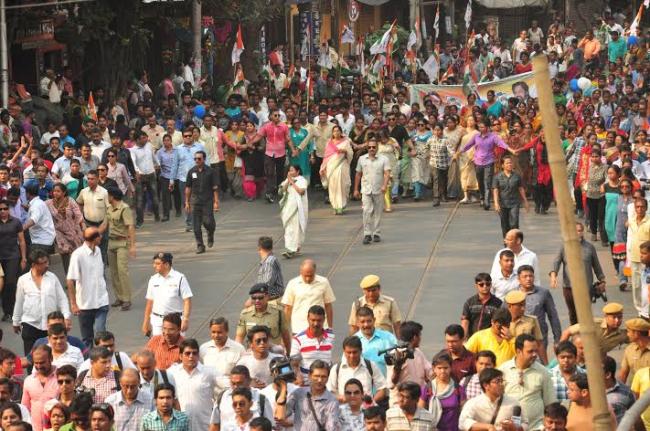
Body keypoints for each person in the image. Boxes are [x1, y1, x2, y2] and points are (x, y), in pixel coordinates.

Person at [12, 249, 71, 355]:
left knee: (51, 356)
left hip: (50, 325)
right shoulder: (23, 280)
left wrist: (66, 317)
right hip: (30, 324)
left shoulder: (52, 278)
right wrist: (16, 321)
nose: (46, 265)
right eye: (43, 263)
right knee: (32, 357)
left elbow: (62, 299)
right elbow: (19, 302)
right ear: (33, 265)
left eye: (47, 261)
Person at [550, 222, 606, 325]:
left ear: (583, 232)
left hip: (586, 288)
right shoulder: (564, 246)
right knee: (573, 314)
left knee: (585, 314)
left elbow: (596, 266)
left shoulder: (590, 247)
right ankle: (575, 333)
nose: (577, 233)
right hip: (569, 287)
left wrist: (602, 280)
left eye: (579, 231)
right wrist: (553, 276)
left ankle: (586, 333)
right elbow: (556, 262)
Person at [500, 334, 556, 430]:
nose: (534, 354)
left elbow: (550, 403)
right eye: (530, 351)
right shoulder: (503, 370)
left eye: (536, 351)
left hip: (535, 427)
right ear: (518, 351)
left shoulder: (543, 372)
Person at [66, 227, 109, 348]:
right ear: (94, 239)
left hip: (101, 301)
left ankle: (103, 357)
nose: (101, 237)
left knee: (101, 335)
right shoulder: (78, 255)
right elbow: (70, 280)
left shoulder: (98, 251)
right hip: (85, 305)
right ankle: (89, 359)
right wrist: (73, 304)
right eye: (99, 235)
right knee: (87, 339)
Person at [167, 338, 221, 431]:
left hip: (204, 426)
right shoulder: (172, 373)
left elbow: (227, 386)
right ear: (180, 356)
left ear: (198, 355)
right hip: (179, 426)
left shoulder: (209, 372)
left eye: (194, 353)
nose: (191, 356)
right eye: (187, 353)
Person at [274, 360, 340, 431]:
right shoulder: (298, 393)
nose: (320, 380)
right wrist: (283, 388)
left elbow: (331, 428)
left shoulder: (332, 401)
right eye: (316, 376)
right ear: (309, 376)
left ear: (328, 378)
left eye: (323, 377)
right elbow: (280, 416)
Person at [99, 187, 135, 311]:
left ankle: (127, 299)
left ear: (112, 196)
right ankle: (119, 297)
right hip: (111, 242)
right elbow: (104, 225)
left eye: (108, 195)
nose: (107, 197)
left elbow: (130, 227)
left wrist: (132, 246)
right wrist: (93, 235)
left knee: (122, 271)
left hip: (122, 243)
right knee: (114, 272)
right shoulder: (109, 208)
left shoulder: (124, 208)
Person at [208, 365, 275, 429]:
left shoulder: (261, 399)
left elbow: (270, 426)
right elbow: (215, 425)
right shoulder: (223, 397)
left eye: (239, 383)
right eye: (233, 383)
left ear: (249, 381)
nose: (236, 387)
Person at [142, 252, 193, 336]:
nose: (154, 266)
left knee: (177, 344)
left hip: (175, 321)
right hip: (158, 322)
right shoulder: (153, 279)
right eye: (154, 263)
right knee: (158, 344)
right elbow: (150, 302)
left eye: (158, 263)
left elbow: (187, 300)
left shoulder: (180, 278)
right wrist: (146, 322)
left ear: (166, 265)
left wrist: (185, 319)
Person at [327, 336, 388, 405]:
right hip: (343, 410)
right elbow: (329, 391)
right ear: (344, 352)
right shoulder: (336, 369)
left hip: (366, 410)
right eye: (349, 352)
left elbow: (382, 389)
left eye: (355, 352)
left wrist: (371, 403)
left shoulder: (371, 366)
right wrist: (340, 398)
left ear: (361, 351)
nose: (352, 356)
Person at [458, 368, 523, 431]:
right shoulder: (473, 403)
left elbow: (524, 424)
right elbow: (463, 422)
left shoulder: (513, 403)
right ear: (486, 385)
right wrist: (488, 427)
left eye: (502, 381)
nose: (501, 384)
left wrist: (514, 428)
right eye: (498, 381)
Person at [517, 265, 561, 354]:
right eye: (525, 276)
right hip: (518, 337)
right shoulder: (513, 295)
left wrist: (557, 339)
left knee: (540, 361)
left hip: (539, 338)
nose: (528, 279)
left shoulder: (543, 293)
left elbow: (553, 316)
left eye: (530, 276)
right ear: (519, 279)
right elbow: (504, 315)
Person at [282, 259, 335, 333]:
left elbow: (328, 305)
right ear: (301, 271)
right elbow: (288, 308)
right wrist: (285, 329)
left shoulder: (324, 282)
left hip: (320, 327)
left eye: (310, 276)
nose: (308, 279)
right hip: (299, 328)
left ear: (315, 271)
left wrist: (330, 328)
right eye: (305, 276)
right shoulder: (292, 284)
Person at [353, 138, 390, 245]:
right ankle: (367, 234)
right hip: (366, 190)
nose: (371, 149)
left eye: (374, 147)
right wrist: (355, 189)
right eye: (369, 147)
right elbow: (358, 174)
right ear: (367, 148)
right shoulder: (362, 159)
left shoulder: (384, 159)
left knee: (378, 212)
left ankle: (377, 233)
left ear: (377, 148)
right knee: (366, 211)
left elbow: (387, 173)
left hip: (379, 190)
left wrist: (384, 185)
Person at [236, 283, 291, 353]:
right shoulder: (245, 314)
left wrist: (288, 353)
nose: (257, 301)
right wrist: (238, 353)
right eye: (254, 298)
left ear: (267, 297)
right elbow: (239, 337)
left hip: (274, 354)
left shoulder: (278, 312)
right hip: (253, 355)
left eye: (260, 297)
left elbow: (286, 336)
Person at [290, 305, 335, 385]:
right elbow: (294, 364)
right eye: (313, 320)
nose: (316, 324)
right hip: (306, 385)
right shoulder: (298, 339)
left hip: (326, 385)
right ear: (308, 319)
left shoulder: (331, 337)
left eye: (319, 320)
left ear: (324, 320)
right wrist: (298, 375)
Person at [184, 150, 218, 254]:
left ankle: (210, 233)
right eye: (195, 159)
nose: (197, 160)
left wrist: (216, 202)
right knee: (196, 226)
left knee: (208, 222)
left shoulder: (210, 171)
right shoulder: (191, 172)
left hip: (207, 201)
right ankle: (200, 246)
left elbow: (215, 188)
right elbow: (188, 187)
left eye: (199, 158)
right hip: (195, 202)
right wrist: (187, 202)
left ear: (204, 159)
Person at [420, 352, 465, 430]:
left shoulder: (458, 389)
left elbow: (464, 414)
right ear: (434, 368)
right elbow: (420, 412)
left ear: (451, 368)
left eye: (445, 368)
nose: (443, 371)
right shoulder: (427, 389)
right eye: (439, 368)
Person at [46, 183, 84, 274]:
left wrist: (83, 227)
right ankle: (69, 276)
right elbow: (40, 208)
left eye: (58, 191)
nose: (55, 193)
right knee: (64, 254)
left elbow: (78, 215)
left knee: (77, 254)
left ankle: (80, 274)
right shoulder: (48, 203)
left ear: (64, 192)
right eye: (54, 191)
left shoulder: (70, 201)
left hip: (73, 231)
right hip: (60, 232)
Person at [0, 199, 27, 322]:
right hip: (1, 258)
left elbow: (22, 241)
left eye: (5, 209)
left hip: (13, 257)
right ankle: (7, 311)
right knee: (2, 285)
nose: (2, 211)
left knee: (10, 283)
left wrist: (24, 258)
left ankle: (11, 311)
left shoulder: (16, 222)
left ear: (9, 210)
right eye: (0, 209)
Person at [199, 317, 245, 386]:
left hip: (230, 389)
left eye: (219, 332)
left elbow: (243, 374)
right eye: (213, 332)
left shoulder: (239, 349)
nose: (216, 335)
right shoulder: (203, 348)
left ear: (227, 331)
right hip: (209, 389)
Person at [22, 345, 58, 431]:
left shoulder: (61, 378)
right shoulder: (29, 380)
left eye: (42, 362)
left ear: (51, 358)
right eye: (36, 363)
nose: (39, 366)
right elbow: (25, 408)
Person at [492, 154, 528, 237]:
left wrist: (525, 201)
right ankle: (507, 243)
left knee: (514, 223)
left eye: (511, 163)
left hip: (514, 203)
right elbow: (495, 190)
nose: (510, 164)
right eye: (507, 163)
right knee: (505, 225)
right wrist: (496, 203)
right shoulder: (497, 177)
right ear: (502, 165)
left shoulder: (517, 176)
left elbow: (521, 188)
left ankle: (516, 241)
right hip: (503, 204)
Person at [320, 125, 353, 215]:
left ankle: (341, 205)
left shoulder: (346, 142)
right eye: (334, 131)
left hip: (342, 165)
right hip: (331, 166)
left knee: (342, 185)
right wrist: (323, 167)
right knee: (333, 186)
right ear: (332, 133)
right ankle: (335, 205)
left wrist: (345, 151)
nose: (336, 132)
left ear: (341, 132)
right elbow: (326, 156)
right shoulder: (329, 143)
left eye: (338, 131)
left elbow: (350, 153)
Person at [504, 290, 545, 362]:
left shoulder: (531, 320)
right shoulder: (501, 323)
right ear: (509, 306)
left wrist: (546, 364)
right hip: (506, 361)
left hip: (527, 361)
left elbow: (539, 344)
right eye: (519, 305)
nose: (523, 308)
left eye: (524, 305)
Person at [130, 131, 160, 226]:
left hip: (151, 174)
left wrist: (158, 164)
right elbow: (133, 162)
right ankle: (140, 221)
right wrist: (137, 171)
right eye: (142, 138)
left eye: (145, 137)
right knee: (139, 199)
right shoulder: (133, 150)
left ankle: (157, 215)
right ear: (137, 140)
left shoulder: (149, 146)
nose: (145, 139)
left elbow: (153, 156)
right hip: (140, 176)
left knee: (155, 197)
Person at [461, 273, 503, 338]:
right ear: (476, 285)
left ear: (491, 285)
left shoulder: (498, 303)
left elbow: (499, 324)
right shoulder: (469, 303)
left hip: (489, 340)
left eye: (488, 284)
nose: (485, 286)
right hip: (472, 339)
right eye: (481, 284)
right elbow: (465, 322)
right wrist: (463, 339)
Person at [279, 165, 308, 258]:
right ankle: (290, 248)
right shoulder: (287, 180)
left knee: (296, 229)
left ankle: (293, 249)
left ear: (298, 171)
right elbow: (281, 191)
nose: (290, 172)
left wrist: (292, 182)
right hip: (289, 207)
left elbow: (301, 192)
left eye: (292, 170)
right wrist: (288, 181)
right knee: (289, 228)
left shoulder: (302, 180)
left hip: (298, 209)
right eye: (289, 170)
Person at [628, 198, 650, 317]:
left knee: (646, 286)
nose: (640, 209)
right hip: (634, 258)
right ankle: (640, 310)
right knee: (636, 286)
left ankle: (646, 311)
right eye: (637, 207)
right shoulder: (631, 220)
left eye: (642, 207)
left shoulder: (649, 222)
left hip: (647, 261)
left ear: (646, 208)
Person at [23, 182, 56, 256]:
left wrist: (21, 229)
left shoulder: (36, 205)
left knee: (36, 263)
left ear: (28, 193)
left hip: (41, 242)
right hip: (45, 241)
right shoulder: (38, 203)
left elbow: (33, 220)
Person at [603, 355, 635, 424]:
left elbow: (635, 417)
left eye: (596, 371)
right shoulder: (588, 391)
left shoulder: (626, 392)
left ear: (608, 375)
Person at [619, 317, 650, 383]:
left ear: (637, 333)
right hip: (634, 388)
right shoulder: (629, 349)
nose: (627, 334)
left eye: (628, 331)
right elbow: (623, 375)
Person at [256, 236, 284, 303]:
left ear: (259, 248)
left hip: (272, 296)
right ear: (271, 248)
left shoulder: (269, 262)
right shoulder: (269, 260)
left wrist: (256, 297)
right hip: (269, 295)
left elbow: (267, 284)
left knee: (248, 305)